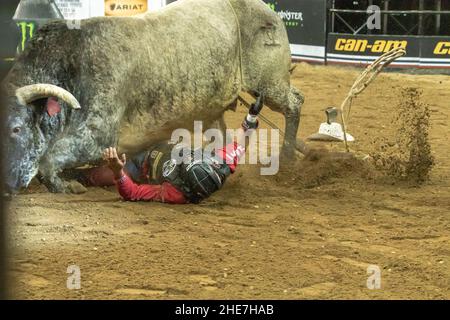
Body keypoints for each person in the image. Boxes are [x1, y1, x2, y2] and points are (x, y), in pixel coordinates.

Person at [81, 93, 265, 204]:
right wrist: (252, 116)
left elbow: (132, 193)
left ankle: (77, 176)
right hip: (160, 139)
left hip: (138, 167)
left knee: (98, 176)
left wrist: (118, 171)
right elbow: (240, 144)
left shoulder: (175, 193)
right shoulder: (219, 165)